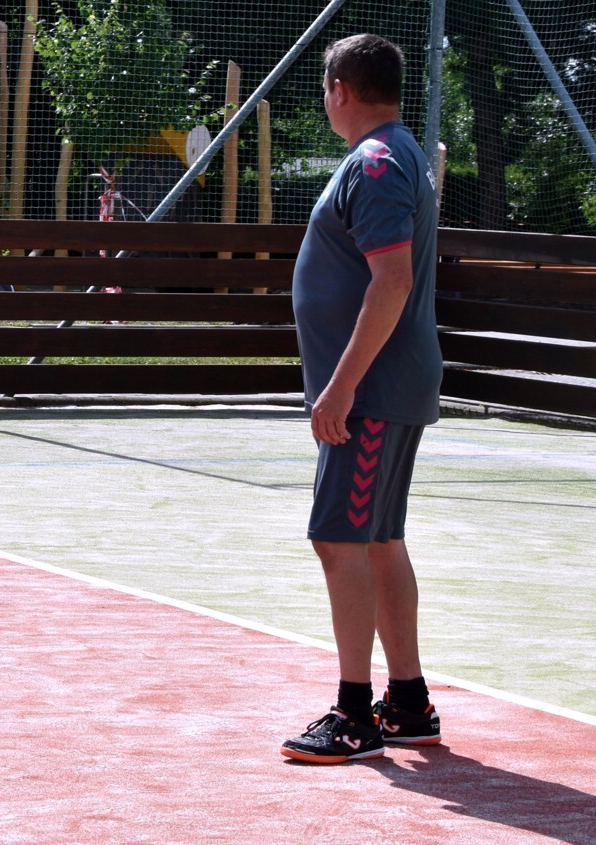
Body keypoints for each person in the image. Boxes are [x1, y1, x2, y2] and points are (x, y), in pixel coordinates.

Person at [279, 34, 443, 764]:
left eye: (325, 88)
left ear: (340, 88)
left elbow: (392, 280)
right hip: (386, 383)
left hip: (371, 388)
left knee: (339, 539)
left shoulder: (376, 160)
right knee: (377, 539)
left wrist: (340, 386)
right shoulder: (394, 152)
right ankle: (406, 702)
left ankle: (353, 716)